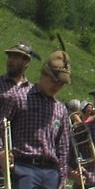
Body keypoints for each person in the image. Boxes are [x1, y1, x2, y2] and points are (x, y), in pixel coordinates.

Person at [0, 49, 72, 189]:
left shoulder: (61, 109)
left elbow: (63, 147)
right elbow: (1, 126)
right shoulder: (20, 97)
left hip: (51, 172)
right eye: (54, 81)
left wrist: (62, 177)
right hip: (24, 166)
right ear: (44, 74)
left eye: (61, 84)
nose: (56, 87)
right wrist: (1, 151)